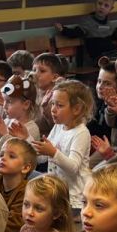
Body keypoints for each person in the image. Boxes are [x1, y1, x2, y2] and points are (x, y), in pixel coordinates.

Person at [37, 80, 94, 214]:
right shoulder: (58, 126)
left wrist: (53, 153)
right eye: (52, 103)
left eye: (59, 105)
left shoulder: (81, 133)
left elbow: (73, 167)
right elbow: (43, 158)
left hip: (73, 197)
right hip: (56, 190)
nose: (53, 109)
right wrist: (27, 139)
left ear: (76, 109)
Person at [0, 136, 36, 232]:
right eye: (1, 155)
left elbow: (13, 225)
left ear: (25, 167)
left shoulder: (27, 192)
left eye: (11, 156)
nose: (3, 158)